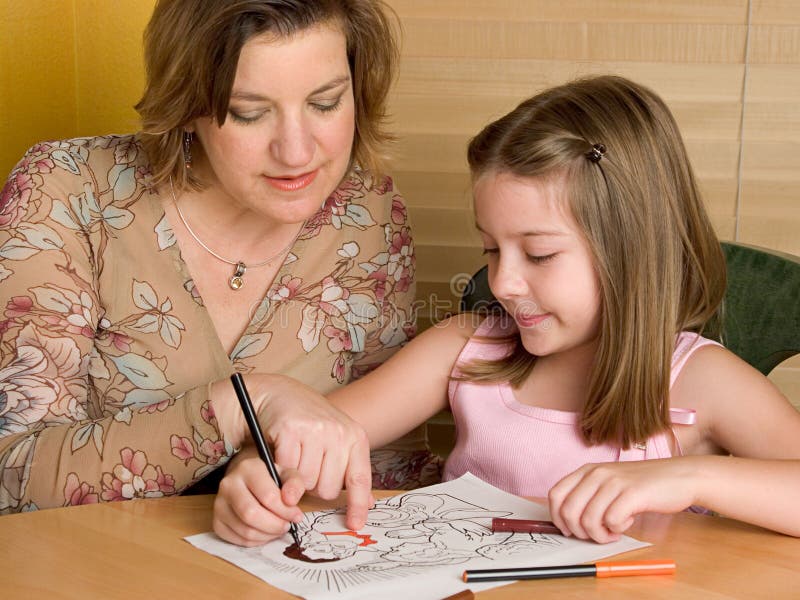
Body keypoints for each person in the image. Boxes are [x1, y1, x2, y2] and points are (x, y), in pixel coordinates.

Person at [215, 75, 800, 546]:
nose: (503, 280)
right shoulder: (466, 348)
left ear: (633, 249)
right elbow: (314, 439)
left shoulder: (698, 380)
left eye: (540, 253)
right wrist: (258, 478)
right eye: (491, 249)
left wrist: (691, 476)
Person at [0, 0, 442, 519]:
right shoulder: (68, 191)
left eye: (325, 103)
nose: (297, 152)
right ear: (187, 104)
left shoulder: (367, 214)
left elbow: (383, 468)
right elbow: (15, 476)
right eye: (248, 112)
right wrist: (242, 406)